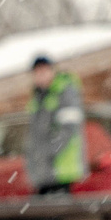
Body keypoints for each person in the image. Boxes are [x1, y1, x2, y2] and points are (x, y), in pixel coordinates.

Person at [23, 53, 86, 195]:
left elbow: (69, 130)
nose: (40, 76)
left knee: (53, 212)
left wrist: (48, 151)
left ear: (52, 71)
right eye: (37, 73)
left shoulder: (64, 92)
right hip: (42, 172)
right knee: (42, 213)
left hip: (60, 169)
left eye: (44, 71)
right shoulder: (38, 96)